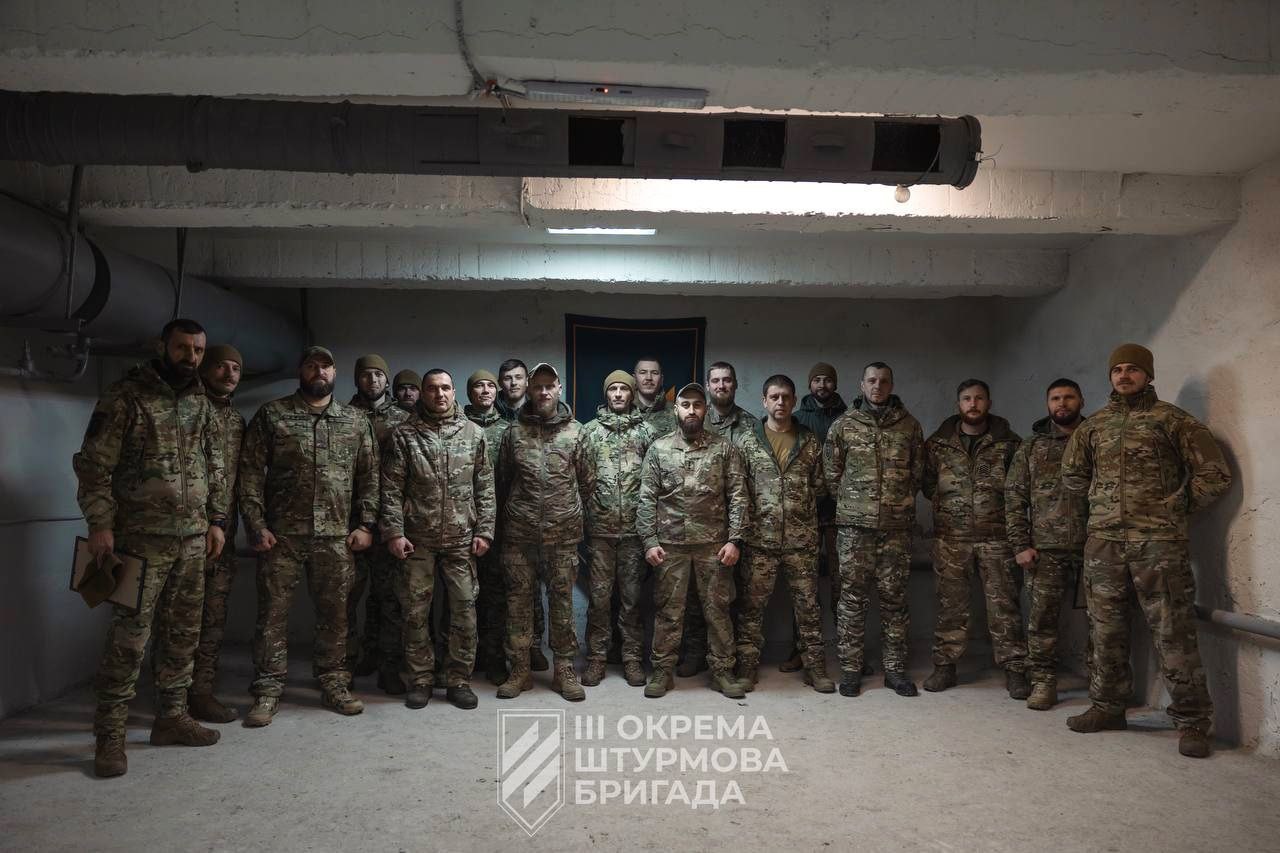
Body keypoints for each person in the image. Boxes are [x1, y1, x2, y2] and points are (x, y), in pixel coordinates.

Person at [73, 318, 228, 777]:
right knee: (129, 640)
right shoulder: (126, 397)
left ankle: (171, 718)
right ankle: (110, 736)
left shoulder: (201, 401)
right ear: (163, 346)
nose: (191, 357)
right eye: (183, 348)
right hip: (139, 540)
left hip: (193, 539)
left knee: (183, 634)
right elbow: (93, 467)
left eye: (198, 350)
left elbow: (215, 464)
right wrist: (100, 525)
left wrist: (217, 520)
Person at [1061, 344, 1231, 758]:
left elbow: (1215, 474)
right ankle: (1108, 707)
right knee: (1105, 631)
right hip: (1104, 544)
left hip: (1159, 544)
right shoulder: (1094, 427)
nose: (1124, 375)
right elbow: (1072, 475)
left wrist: (1174, 507)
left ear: (1148, 375)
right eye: (1117, 369)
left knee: (1173, 631)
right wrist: (1101, 504)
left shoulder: (1172, 421)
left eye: (1132, 369)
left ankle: (1192, 721)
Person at [238, 346, 378, 726]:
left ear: (335, 373)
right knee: (272, 615)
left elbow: (369, 476)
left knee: (336, 615)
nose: (319, 371)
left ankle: (334, 681)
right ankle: (268, 688)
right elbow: (250, 473)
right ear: (301, 371)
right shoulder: (273, 415)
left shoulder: (355, 420)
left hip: (336, 536)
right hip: (281, 536)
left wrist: (366, 525)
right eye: (312, 365)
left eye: (326, 366)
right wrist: (256, 524)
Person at [382, 370, 495, 711]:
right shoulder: (405, 435)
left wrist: (485, 531)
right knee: (415, 613)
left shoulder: (473, 433)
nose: (439, 394)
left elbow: (485, 487)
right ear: (423, 393)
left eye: (445, 388)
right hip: (418, 540)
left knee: (464, 612)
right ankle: (421, 680)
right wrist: (394, 532)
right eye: (432, 389)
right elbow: (391, 488)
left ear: (454, 391)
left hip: (461, 539)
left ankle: (458, 680)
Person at [637, 383, 750, 699]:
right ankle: (662, 671)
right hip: (670, 545)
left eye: (697, 405)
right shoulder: (659, 449)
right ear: (676, 409)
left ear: (705, 409)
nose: (691, 410)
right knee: (668, 611)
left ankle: (723, 671)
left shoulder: (724, 449)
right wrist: (649, 541)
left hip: (713, 546)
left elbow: (738, 497)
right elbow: (646, 498)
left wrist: (735, 540)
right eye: (685, 404)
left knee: (717, 611)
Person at [922, 379, 1029, 698]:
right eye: (967, 398)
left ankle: (1015, 668)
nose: (973, 404)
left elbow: (1019, 488)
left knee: (1004, 606)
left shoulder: (1009, 443)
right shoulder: (938, 445)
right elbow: (927, 483)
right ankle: (945, 666)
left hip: (997, 539)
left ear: (989, 402)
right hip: (951, 540)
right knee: (950, 606)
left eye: (979, 398)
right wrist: (949, 508)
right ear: (958, 404)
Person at [825, 362, 925, 698]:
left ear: (891, 385)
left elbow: (917, 472)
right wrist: (856, 506)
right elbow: (832, 474)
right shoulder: (844, 425)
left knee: (894, 601)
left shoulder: (909, 426)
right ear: (861, 384)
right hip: (854, 530)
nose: (877, 386)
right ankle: (851, 670)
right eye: (871, 380)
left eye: (883, 381)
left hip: (896, 530)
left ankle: (894, 671)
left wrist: (895, 503)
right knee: (851, 601)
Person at [495, 363, 592, 702]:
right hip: (519, 535)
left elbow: (587, 482)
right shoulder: (513, 433)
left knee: (562, 605)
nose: (544, 391)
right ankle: (520, 669)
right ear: (530, 390)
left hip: (562, 536)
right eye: (538, 386)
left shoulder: (577, 432)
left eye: (550, 386)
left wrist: (567, 512)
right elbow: (503, 480)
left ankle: (563, 670)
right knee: (518, 605)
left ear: (559, 388)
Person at [735, 374, 834, 693]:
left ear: (793, 401)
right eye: (774, 397)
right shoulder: (747, 441)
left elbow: (820, 486)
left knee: (808, 608)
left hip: (800, 541)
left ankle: (815, 668)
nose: (780, 402)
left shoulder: (809, 441)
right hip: (758, 541)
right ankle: (746, 667)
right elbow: (738, 489)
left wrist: (797, 510)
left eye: (786, 397)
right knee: (751, 608)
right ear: (764, 401)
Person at [1004, 378, 1089, 710]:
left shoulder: (1096, 439)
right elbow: (1014, 498)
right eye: (1055, 398)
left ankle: (1105, 687)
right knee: (1041, 621)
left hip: (1095, 547)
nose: (1062, 403)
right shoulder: (1032, 447)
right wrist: (1019, 545)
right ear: (1047, 404)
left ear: (1081, 401)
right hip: (1045, 549)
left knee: (1105, 622)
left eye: (1069, 397)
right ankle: (1043, 682)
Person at [580, 370, 660, 687]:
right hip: (599, 532)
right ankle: (597, 659)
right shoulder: (589, 432)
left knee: (632, 600)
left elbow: (656, 482)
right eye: (612, 389)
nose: (617, 394)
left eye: (623, 389)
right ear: (605, 394)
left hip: (634, 534)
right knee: (599, 600)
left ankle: (632, 659)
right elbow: (579, 480)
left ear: (631, 394)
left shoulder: (647, 432)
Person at [189, 343, 247, 724]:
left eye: (235, 369)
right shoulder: (186, 410)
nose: (229, 374)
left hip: (222, 537)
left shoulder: (237, 421)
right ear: (205, 368)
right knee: (178, 620)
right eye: (221, 366)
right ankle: (171, 697)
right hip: (185, 533)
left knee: (212, 618)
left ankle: (201, 692)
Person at [346, 354, 409, 694]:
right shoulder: (343, 416)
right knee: (345, 598)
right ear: (356, 379)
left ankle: (389, 666)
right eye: (366, 375)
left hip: (391, 522)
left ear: (387, 380)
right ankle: (345, 664)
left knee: (389, 598)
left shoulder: (404, 418)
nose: (372, 380)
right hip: (350, 521)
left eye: (378, 375)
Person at [783, 361, 849, 672]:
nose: (822, 385)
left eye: (827, 380)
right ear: (809, 385)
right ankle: (802, 649)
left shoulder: (848, 418)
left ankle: (850, 652)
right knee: (804, 588)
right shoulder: (797, 419)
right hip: (805, 516)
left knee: (844, 586)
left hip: (841, 515)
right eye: (817, 380)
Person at [463, 369, 518, 684]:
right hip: (461, 524)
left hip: (500, 526)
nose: (485, 391)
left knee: (496, 595)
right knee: (462, 598)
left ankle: (495, 657)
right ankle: (466, 659)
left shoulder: (508, 430)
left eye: (489, 386)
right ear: (468, 392)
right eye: (478, 386)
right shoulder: (459, 427)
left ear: (496, 392)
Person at [633, 357, 678, 437]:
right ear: (634, 378)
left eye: (654, 373)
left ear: (661, 379)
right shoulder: (624, 409)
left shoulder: (676, 412)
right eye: (643, 372)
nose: (649, 378)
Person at [495, 358, 528, 422]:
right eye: (507, 378)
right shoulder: (489, 407)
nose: (513, 383)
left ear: (527, 381)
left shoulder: (537, 407)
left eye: (518, 377)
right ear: (500, 383)